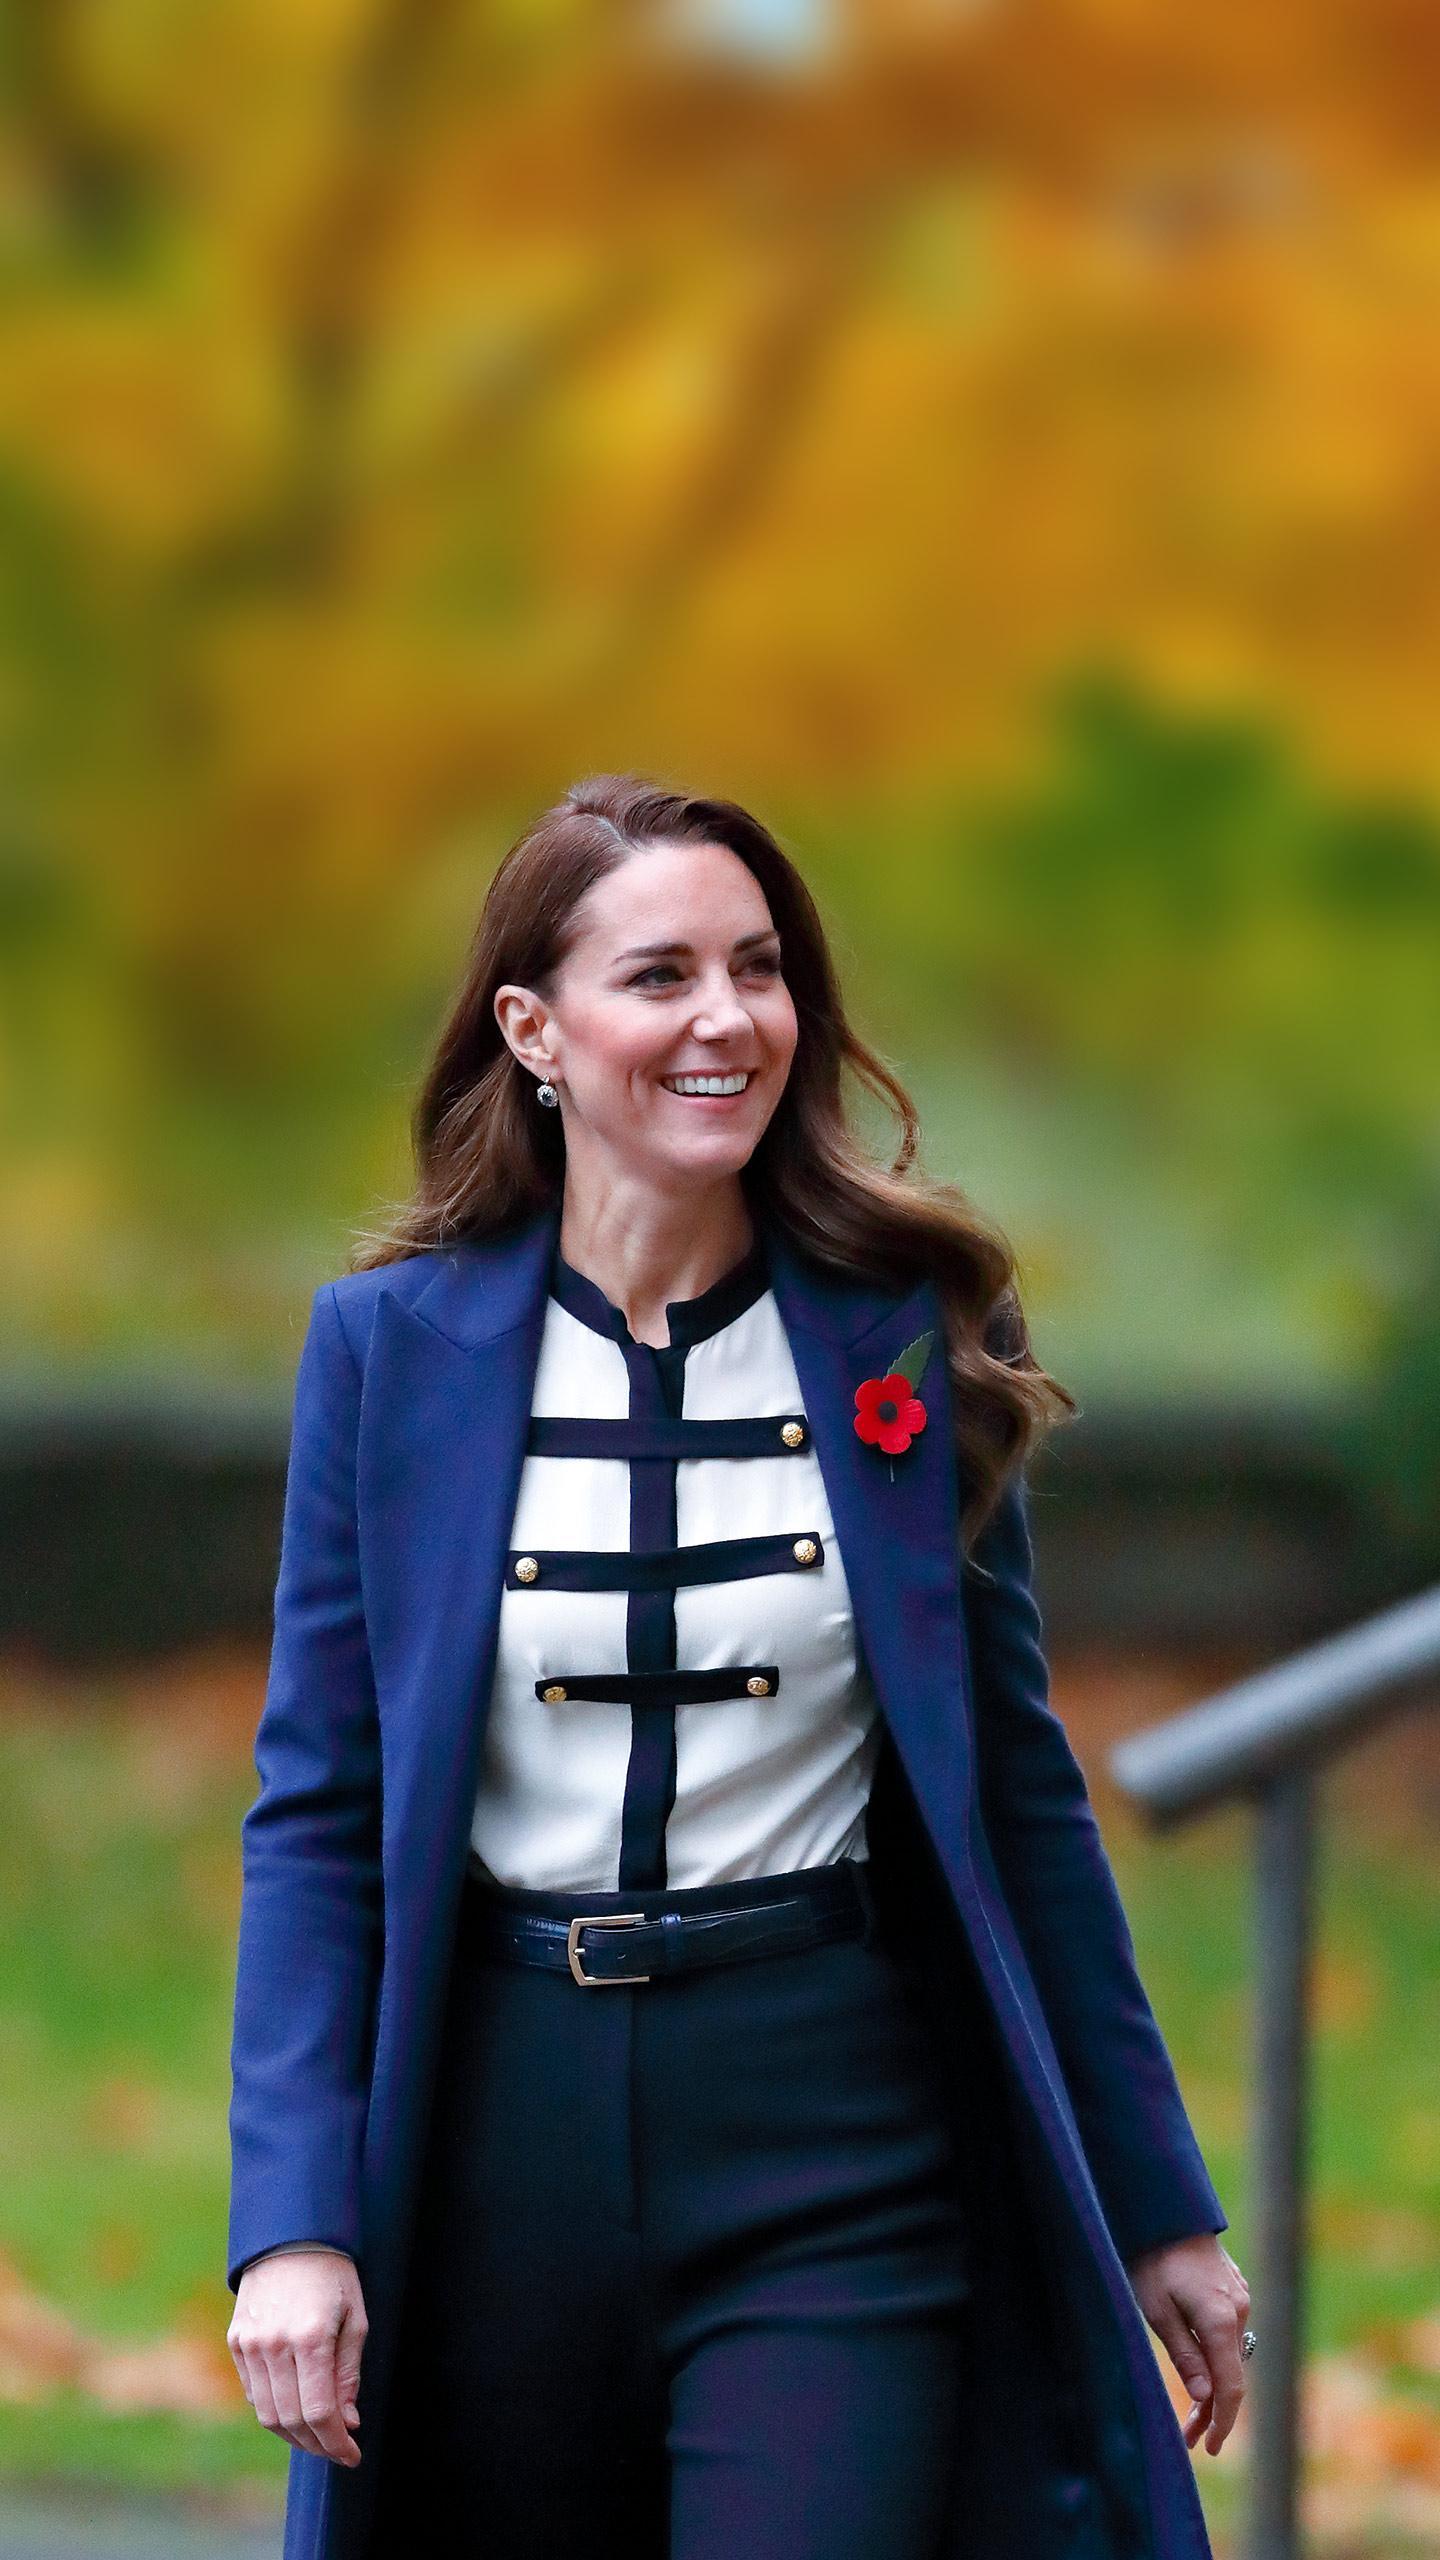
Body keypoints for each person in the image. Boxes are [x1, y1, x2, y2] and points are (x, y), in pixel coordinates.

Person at [226, 773, 1252, 2560]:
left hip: (830, 2140)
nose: (726, 1018)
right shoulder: (389, 1355)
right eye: (663, 974)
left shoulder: (906, 1335)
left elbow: (1017, 1797)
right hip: (490, 2141)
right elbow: (320, 1814)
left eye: (759, 968)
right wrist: (295, 2222)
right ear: (533, 1030)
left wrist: (1156, 2208)